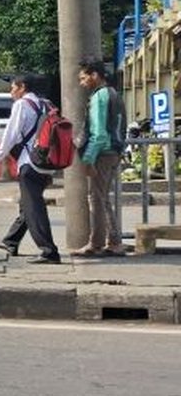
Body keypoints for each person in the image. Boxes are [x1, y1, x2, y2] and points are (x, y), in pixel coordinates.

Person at [0, 74, 61, 264]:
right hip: (46, 164)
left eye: (13, 87)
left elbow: (10, 136)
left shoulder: (22, 105)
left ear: (22, 87)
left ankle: (49, 251)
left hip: (30, 163)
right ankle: (11, 241)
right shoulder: (47, 104)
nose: (11, 92)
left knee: (34, 208)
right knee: (28, 205)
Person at [74, 59, 127, 257]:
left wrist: (88, 159)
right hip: (113, 152)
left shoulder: (99, 97)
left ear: (95, 75)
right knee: (102, 198)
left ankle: (97, 244)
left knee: (96, 199)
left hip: (102, 154)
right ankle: (113, 242)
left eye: (83, 78)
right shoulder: (114, 94)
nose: (82, 83)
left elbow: (99, 134)